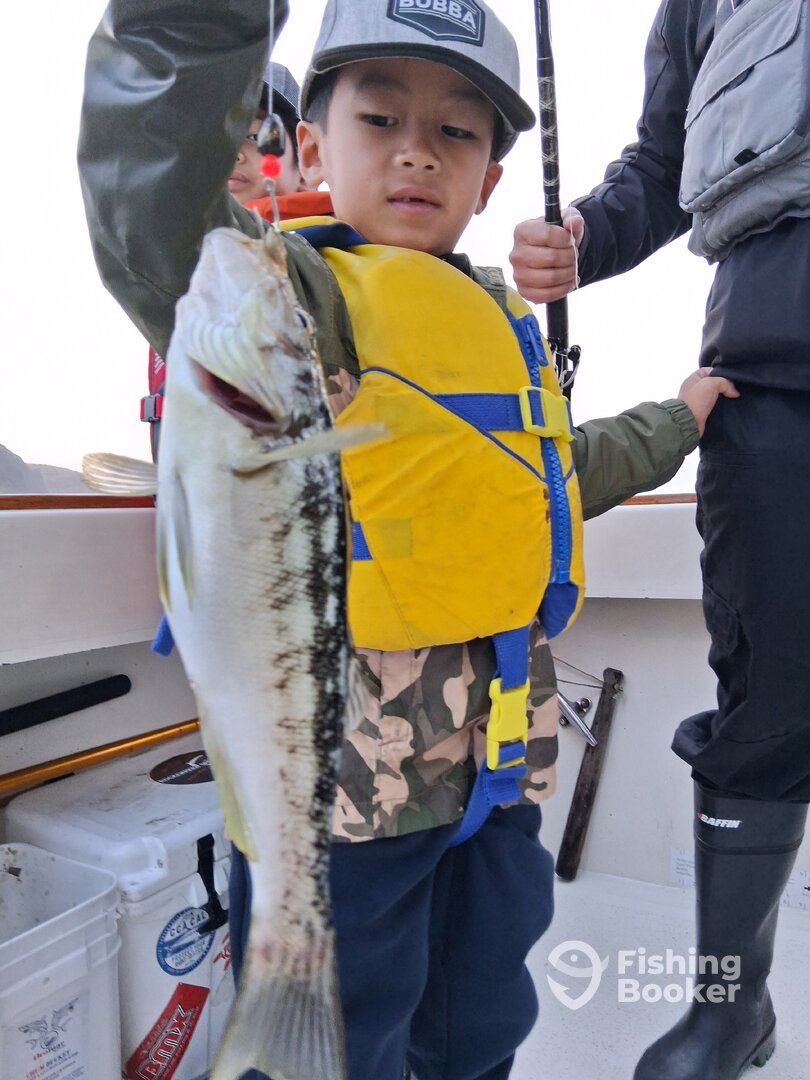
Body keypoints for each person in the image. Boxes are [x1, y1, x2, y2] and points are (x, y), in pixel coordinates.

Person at [78, 1, 737, 1077]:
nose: (418, 152)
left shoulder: (498, 325)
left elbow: (553, 479)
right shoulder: (285, 295)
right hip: (343, 793)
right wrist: (199, 21)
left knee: (480, 1017)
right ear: (308, 148)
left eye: (456, 132)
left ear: (489, 181)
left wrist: (678, 420)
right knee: (342, 1036)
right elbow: (153, 200)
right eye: (380, 119)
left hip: (500, 768)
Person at [509, 2, 810, 1078]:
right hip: (769, 380)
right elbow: (660, 162)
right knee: (767, 699)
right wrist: (583, 235)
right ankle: (732, 1010)